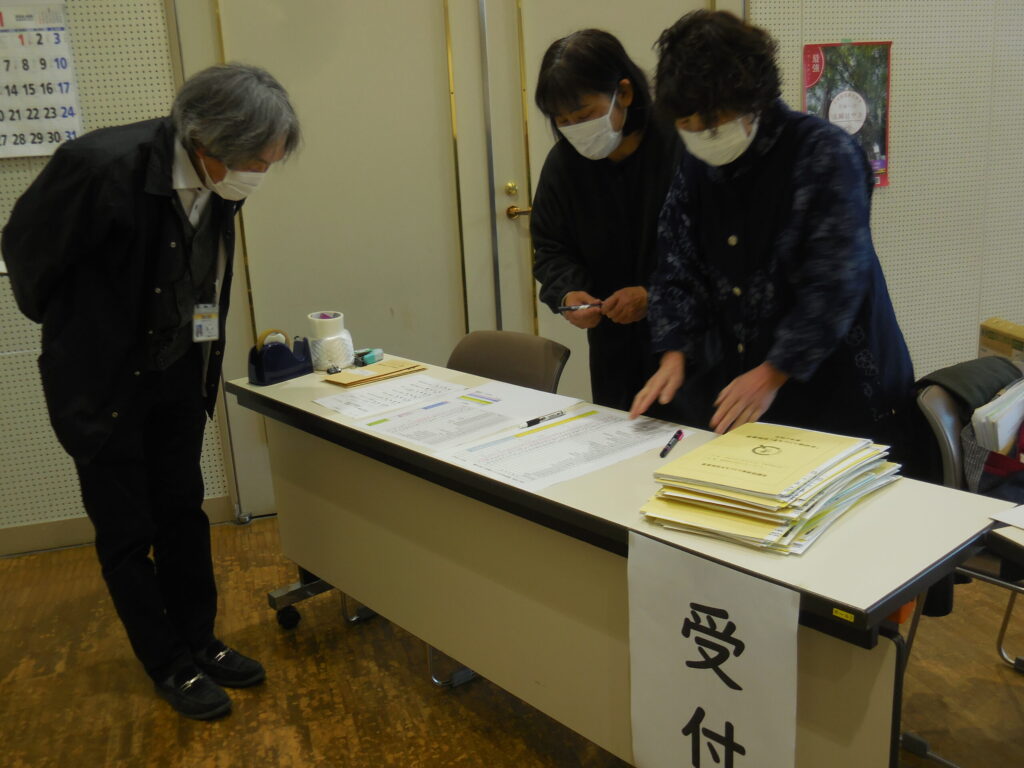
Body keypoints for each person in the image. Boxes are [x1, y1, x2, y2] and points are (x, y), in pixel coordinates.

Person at [2, 63, 300, 720]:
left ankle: (200, 641)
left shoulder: (221, 180)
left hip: (177, 373)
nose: (260, 174)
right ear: (208, 139)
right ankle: (167, 662)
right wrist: (86, 331)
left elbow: (199, 272)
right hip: (102, 385)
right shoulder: (100, 167)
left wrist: (191, 349)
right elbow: (26, 256)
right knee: (127, 532)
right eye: (256, 160)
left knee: (183, 513)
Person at [630, 10, 913, 453]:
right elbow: (675, 265)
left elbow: (835, 281)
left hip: (839, 387)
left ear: (754, 98)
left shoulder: (824, 154)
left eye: (712, 123)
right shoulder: (696, 166)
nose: (701, 137)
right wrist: (674, 352)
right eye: (688, 127)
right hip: (749, 385)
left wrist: (773, 372)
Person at [531, 29, 681, 412]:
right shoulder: (564, 165)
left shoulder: (679, 147)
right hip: (613, 345)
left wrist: (654, 296)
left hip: (689, 341)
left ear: (624, 93)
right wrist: (568, 293)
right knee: (620, 430)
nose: (576, 129)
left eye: (585, 116)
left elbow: (711, 252)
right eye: (563, 121)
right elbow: (550, 247)